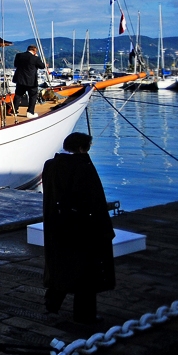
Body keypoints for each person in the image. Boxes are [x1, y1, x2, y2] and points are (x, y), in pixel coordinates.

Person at [42, 132, 115, 324]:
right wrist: (105, 229)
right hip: (83, 228)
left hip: (59, 226)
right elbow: (95, 200)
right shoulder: (83, 167)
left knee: (63, 266)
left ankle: (53, 302)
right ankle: (84, 316)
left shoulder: (51, 165)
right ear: (83, 148)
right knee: (87, 275)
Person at [14, 45, 46, 118]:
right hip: (31, 81)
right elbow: (42, 66)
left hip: (20, 79)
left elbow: (16, 65)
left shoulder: (19, 55)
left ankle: (14, 110)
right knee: (33, 96)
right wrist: (37, 57)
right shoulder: (35, 58)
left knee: (18, 95)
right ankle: (30, 112)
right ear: (34, 51)